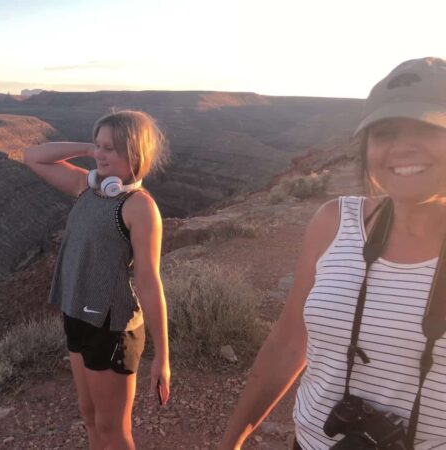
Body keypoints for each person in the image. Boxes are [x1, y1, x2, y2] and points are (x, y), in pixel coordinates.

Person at [219, 57, 446, 449]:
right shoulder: (334, 223)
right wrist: (232, 439)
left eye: (427, 127)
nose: (402, 147)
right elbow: (290, 341)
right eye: (385, 132)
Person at [23, 110, 171, 450]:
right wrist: (90, 150)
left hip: (111, 327)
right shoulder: (86, 187)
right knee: (89, 417)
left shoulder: (139, 207)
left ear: (136, 153)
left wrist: (162, 356)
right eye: (99, 145)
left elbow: (149, 283)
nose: (101, 154)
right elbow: (32, 157)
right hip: (77, 316)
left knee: (113, 431)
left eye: (112, 148)